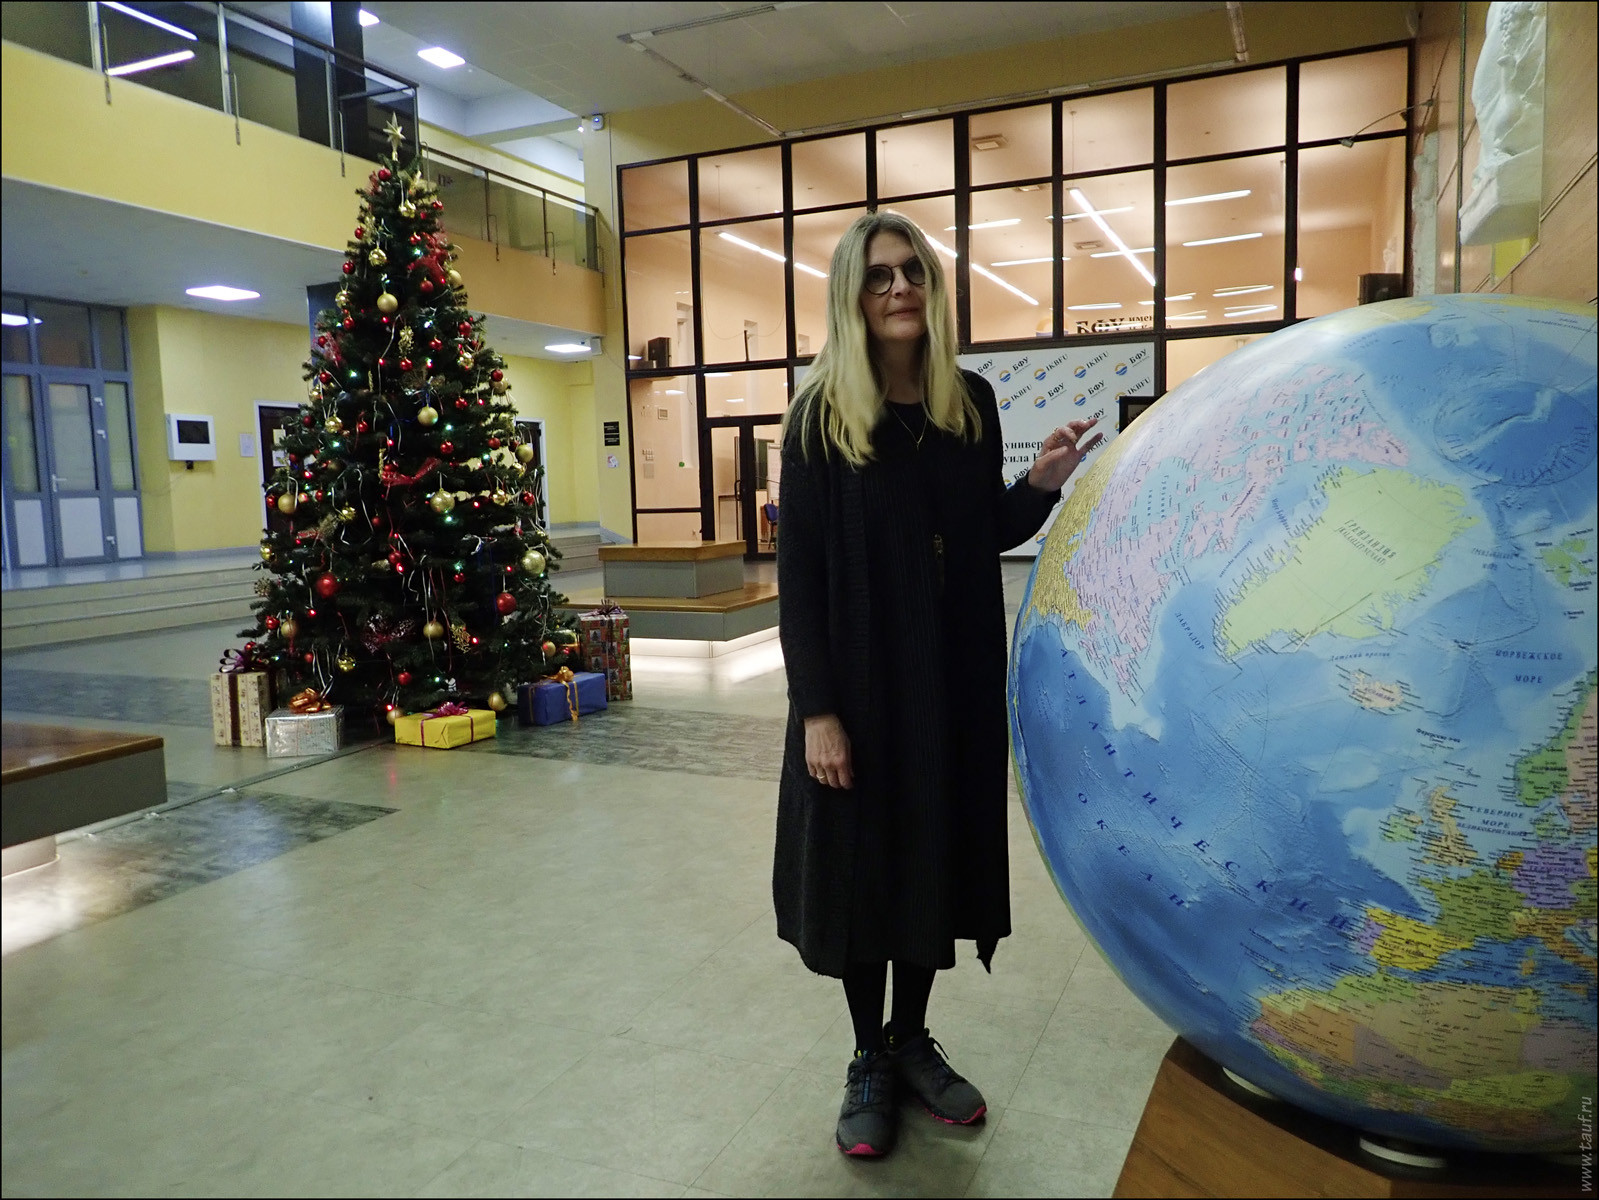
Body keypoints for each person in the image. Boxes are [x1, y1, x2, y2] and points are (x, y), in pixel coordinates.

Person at [774, 210, 1100, 1157]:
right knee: (859, 867)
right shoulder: (819, 416)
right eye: (878, 276)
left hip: (948, 676)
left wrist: (1038, 485)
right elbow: (799, 579)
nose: (899, 289)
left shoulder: (970, 402)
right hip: (857, 685)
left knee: (929, 857)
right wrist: (817, 711)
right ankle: (867, 1055)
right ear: (852, 294)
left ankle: (911, 1037)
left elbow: (977, 533)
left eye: (912, 271)